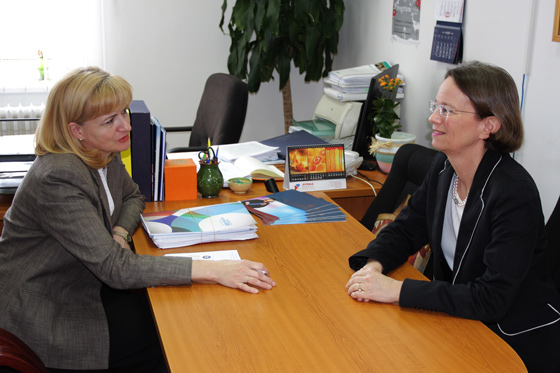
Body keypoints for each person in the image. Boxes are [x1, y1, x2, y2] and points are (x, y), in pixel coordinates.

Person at [0, 67, 276, 372]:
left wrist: (117, 233)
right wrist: (215, 269)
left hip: (84, 283)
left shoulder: (101, 151)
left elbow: (134, 197)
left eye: (124, 113)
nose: (126, 126)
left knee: (170, 312)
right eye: (110, 120)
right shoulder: (58, 177)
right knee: (169, 338)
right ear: (76, 130)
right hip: (46, 310)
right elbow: (116, 269)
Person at [346, 61, 560, 372]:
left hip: (510, 343)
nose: (433, 117)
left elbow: (492, 298)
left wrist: (397, 290)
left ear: (489, 125)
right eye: (436, 106)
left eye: (447, 110)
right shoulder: (445, 168)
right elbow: (405, 230)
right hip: (459, 323)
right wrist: (373, 266)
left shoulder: (514, 194)